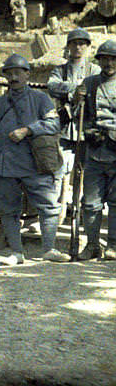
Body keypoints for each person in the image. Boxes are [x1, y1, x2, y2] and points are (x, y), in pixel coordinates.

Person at [0, 54, 69, 264]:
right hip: (4, 164)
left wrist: (28, 129)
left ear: (27, 74)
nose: (13, 77)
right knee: (8, 209)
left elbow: (53, 125)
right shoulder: (0, 102)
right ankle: (16, 252)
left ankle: (49, 249)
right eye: (9, 73)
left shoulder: (41, 99)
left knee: (48, 205)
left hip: (34, 162)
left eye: (18, 72)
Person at [47, 28, 100, 222]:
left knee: (86, 172)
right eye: (74, 43)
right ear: (68, 46)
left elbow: (99, 88)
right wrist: (75, 89)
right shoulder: (60, 70)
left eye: (82, 44)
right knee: (59, 171)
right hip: (65, 128)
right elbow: (52, 86)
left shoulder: (94, 70)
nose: (78, 47)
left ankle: (80, 213)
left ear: (87, 47)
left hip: (87, 130)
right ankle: (56, 213)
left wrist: (85, 90)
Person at [74, 39, 116, 261]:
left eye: (112, 59)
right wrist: (77, 99)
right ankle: (91, 245)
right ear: (98, 61)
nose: (108, 63)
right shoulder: (89, 83)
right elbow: (76, 115)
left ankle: (113, 245)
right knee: (90, 203)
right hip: (94, 150)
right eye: (104, 58)